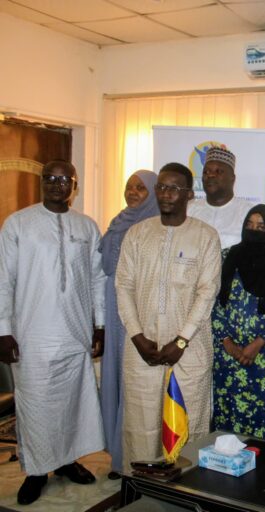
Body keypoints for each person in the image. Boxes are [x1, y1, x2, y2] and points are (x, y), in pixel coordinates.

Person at [0, 160, 106, 505]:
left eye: (65, 179)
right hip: (32, 334)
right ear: (42, 182)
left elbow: (97, 280)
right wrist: (3, 330)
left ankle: (66, 461)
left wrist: (100, 325)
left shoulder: (86, 226)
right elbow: (4, 279)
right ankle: (35, 470)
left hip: (75, 332)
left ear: (75, 186)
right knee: (35, 404)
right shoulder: (18, 224)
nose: (57, 184)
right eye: (50, 178)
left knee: (72, 402)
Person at [116, 162, 221, 472]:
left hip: (189, 348)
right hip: (142, 346)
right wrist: (137, 335)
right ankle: (141, 484)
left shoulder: (205, 236)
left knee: (188, 421)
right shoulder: (138, 234)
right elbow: (123, 286)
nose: (165, 194)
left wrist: (181, 340)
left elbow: (207, 292)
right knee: (141, 421)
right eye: (161, 187)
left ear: (189, 194)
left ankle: (187, 487)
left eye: (174, 188)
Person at [212, 204, 265, 441]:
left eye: (261, 227)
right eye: (249, 225)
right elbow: (213, 302)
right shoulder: (226, 257)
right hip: (230, 359)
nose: (254, 231)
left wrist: (259, 341)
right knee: (230, 429)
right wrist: (227, 342)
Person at [99, 169, 159, 479]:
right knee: (116, 376)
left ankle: (136, 457)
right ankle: (117, 455)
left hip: (139, 310)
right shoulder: (117, 222)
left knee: (136, 382)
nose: (133, 192)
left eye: (141, 188)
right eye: (129, 186)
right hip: (114, 308)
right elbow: (106, 268)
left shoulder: (157, 226)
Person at [188, 145, 254, 253]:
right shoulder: (189, 210)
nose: (211, 175)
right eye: (206, 172)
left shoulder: (247, 212)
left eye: (218, 171)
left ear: (232, 178)